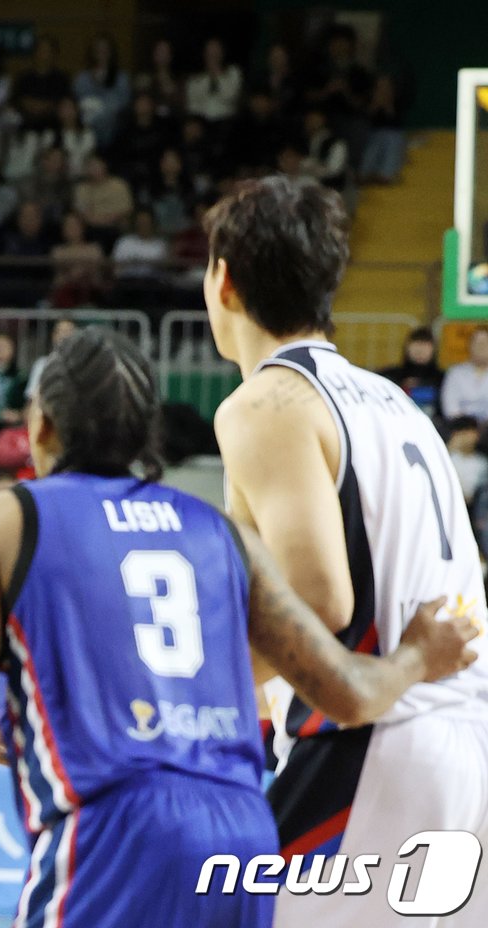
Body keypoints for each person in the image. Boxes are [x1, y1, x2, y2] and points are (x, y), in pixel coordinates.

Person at [0, 327, 480, 928]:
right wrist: (420, 656)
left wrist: (10, 727)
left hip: (115, 830)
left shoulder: (2, 521)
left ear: (42, 425)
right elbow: (348, 690)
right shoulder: (221, 532)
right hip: (239, 834)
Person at [206, 176, 488, 928]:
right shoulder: (397, 401)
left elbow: (317, 599)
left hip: (377, 740)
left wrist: (190, 689)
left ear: (223, 279)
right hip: (459, 739)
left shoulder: (266, 403)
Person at [376, 325, 443, 418]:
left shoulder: (443, 378)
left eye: (425, 344)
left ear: (434, 349)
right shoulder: (390, 375)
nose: (420, 349)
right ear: (407, 347)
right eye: (416, 344)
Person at [441, 326, 488, 422]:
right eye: (477, 343)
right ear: (469, 346)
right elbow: (450, 408)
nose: (481, 347)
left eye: (484, 343)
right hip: (460, 428)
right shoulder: (455, 373)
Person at [446, 417, 488, 504]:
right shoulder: (447, 460)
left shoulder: (482, 462)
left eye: (473, 431)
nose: (471, 437)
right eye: (465, 432)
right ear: (455, 435)